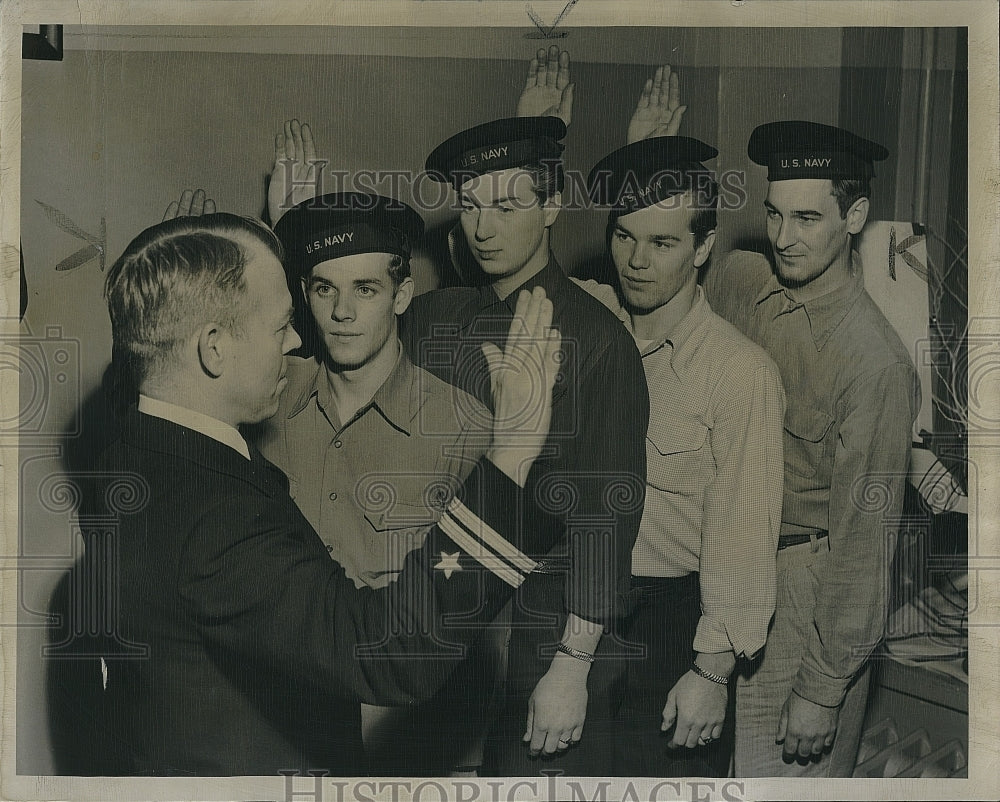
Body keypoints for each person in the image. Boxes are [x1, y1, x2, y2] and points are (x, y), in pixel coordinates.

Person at [81, 210, 564, 775]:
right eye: (279, 324)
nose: (293, 341)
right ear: (213, 349)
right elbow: (386, 651)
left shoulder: (136, 455)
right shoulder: (213, 509)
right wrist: (509, 454)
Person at [401, 111, 649, 775]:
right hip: (453, 613)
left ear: (552, 206)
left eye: (508, 204)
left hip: (549, 630)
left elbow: (606, 516)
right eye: (472, 205)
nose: (483, 227)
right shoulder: (440, 319)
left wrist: (572, 667)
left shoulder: (599, 342)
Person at [702, 121, 921, 776]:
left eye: (806, 218)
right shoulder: (744, 282)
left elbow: (864, 541)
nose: (783, 238)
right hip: (720, 583)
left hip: (804, 605)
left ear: (854, 216)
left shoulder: (875, 364)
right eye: (773, 214)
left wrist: (821, 690)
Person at [254, 191, 492, 775]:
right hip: (287, 736)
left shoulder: (465, 430)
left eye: (366, 289)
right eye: (323, 288)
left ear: (402, 295)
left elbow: (489, 610)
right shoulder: (266, 408)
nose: (341, 313)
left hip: (412, 743)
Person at [576, 135, 785, 776]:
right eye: (624, 236)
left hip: (667, 631)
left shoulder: (739, 373)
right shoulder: (584, 321)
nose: (636, 261)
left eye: (663, 243)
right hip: (571, 614)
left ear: (701, 249)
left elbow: (745, 542)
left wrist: (711, 672)